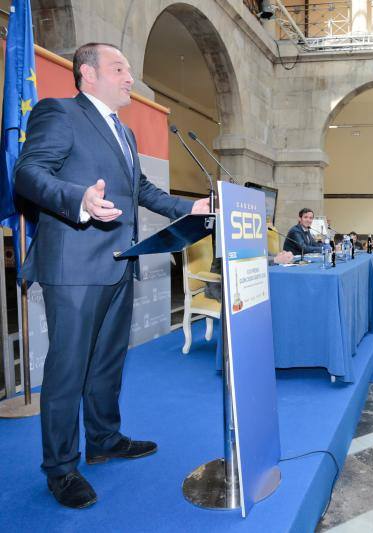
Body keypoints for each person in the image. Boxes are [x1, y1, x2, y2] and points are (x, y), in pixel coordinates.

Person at [13, 43, 211, 509]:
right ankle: (61, 468)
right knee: (67, 371)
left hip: (121, 261)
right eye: (119, 69)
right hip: (75, 267)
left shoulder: (124, 132)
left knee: (106, 363)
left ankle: (104, 439)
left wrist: (191, 207)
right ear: (88, 74)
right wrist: (78, 198)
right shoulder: (58, 113)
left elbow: (139, 188)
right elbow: (27, 172)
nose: (130, 79)